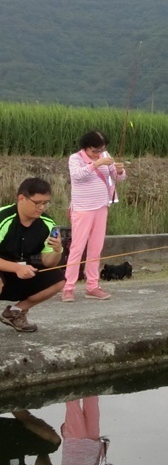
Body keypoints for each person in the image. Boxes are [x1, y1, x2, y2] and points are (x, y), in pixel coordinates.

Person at [64, 130, 126, 301]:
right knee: (77, 248)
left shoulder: (104, 155)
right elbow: (78, 176)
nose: (98, 153)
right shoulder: (75, 159)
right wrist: (96, 164)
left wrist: (119, 171)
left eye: (101, 150)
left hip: (101, 207)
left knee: (96, 249)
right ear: (86, 148)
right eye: (94, 151)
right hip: (82, 209)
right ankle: (68, 287)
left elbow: (118, 178)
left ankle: (92, 285)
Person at [0, 178, 66, 333]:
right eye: (38, 203)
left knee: (58, 280)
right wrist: (15, 268)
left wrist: (57, 250)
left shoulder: (47, 223)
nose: (42, 207)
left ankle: (15, 312)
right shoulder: (3, 218)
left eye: (46, 203)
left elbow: (48, 262)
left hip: (23, 270)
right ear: (21, 198)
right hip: (5, 268)